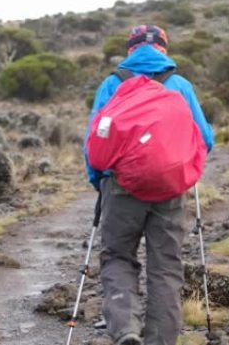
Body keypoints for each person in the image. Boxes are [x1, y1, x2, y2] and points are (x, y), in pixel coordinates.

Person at [84, 25, 214, 345]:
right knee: (166, 265)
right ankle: (161, 340)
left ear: (130, 50)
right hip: (170, 188)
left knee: (117, 256)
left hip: (120, 185)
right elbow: (205, 139)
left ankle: (126, 328)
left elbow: (93, 140)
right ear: (163, 50)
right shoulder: (179, 85)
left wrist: (98, 181)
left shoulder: (112, 84)